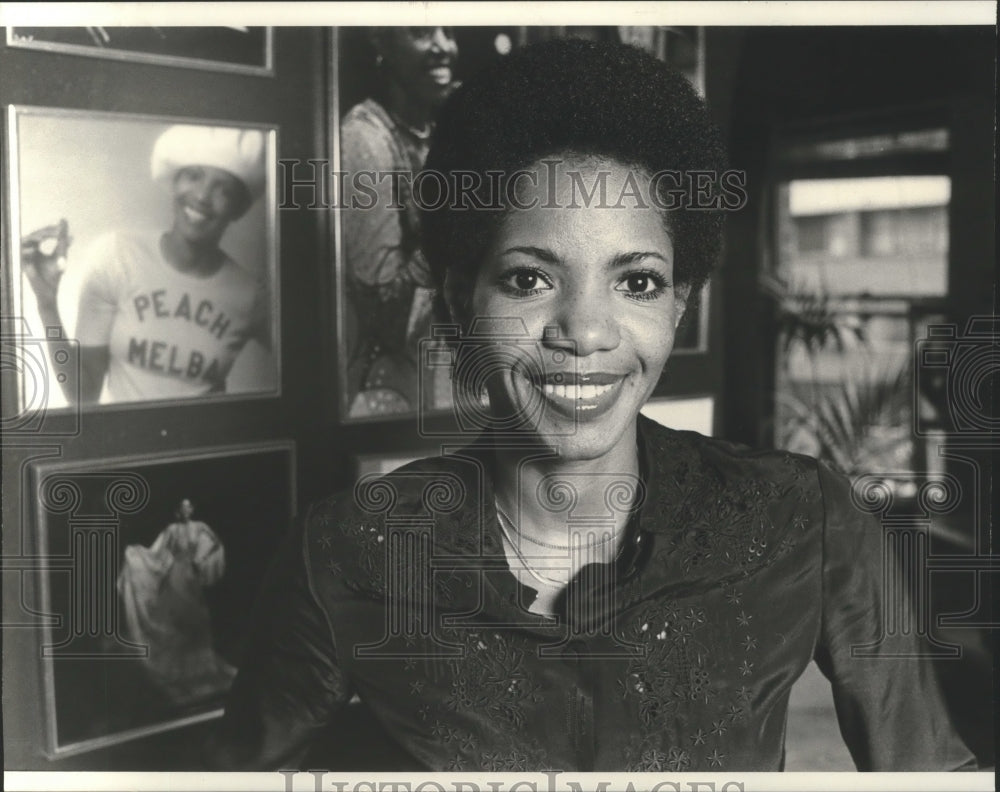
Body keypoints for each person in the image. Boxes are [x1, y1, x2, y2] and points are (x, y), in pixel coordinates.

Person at [208, 39, 976, 771]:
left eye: (636, 281)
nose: (586, 332)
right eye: (528, 279)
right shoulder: (346, 553)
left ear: (679, 305)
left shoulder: (804, 519)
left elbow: (931, 769)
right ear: (456, 299)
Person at [21, 124, 271, 404]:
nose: (202, 196)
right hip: (130, 443)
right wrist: (47, 306)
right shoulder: (118, 257)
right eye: (193, 176)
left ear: (238, 208)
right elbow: (82, 396)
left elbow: (311, 376)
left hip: (208, 447)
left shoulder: (251, 296)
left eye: (222, 188)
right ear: (175, 182)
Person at [340, 26, 458, 417]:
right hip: (394, 389)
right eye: (422, 32)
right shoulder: (365, 139)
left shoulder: (437, 131)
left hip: (442, 375)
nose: (443, 46)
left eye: (449, 31)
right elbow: (383, 315)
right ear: (381, 42)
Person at [117, 498, 234, 705]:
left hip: (191, 577)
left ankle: (201, 671)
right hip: (174, 577)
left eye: (188, 507)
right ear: (177, 510)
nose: (184, 510)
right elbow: (156, 551)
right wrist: (137, 554)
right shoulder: (171, 530)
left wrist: (201, 560)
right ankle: (180, 674)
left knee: (198, 619)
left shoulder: (200, 528)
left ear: (192, 509)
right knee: (177, 621)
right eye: (181, 507)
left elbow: (214, 545)